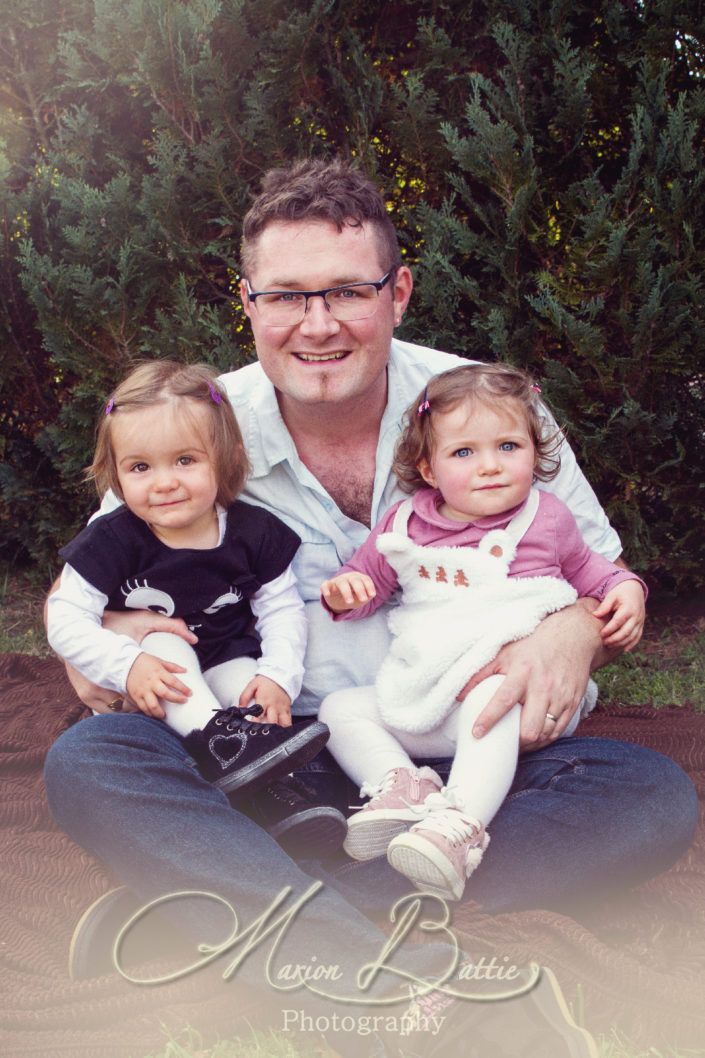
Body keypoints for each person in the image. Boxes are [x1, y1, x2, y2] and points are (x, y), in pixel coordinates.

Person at [43, 159, 697, 1057]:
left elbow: (597, 582)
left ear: (398, 292)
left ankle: (226, 916)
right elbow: (86, 624)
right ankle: (374, 951)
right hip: (274, 757)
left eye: (347, 292)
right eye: (286, 297)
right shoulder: (190, 429)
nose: (317, 325)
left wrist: (578, 632)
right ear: (248, 302)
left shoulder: (485, 410)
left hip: (463, 759)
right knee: (94, 760)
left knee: (647, 795)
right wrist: (121, 639)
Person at [318, 363, 647, 901]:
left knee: (493, 694)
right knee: (341, 709)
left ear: (534, 454)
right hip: (431, 691)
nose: (490, 466)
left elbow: (597, 573)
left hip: (522, 699)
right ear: (428, 468)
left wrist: (628, 589)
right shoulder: (402, 525)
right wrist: (345, 590)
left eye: (509, 446)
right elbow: (367, 583)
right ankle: (405, 787)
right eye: (464, 452)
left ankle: (458, 829)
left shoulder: (547, 518)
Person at [46, 360, 331, 804]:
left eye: (184, 460)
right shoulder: (112, 539)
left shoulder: (253, 532)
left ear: (228, 457)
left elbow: (282, 609)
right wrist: (124, 665)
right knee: (164, 643)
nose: (164, 483)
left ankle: (269, 797)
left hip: (223, 658)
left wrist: (278, 677)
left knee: (255, 700)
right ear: (115, 473)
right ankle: (220, 746)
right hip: (151, 675)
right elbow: (65, 618)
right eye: (140, 467)